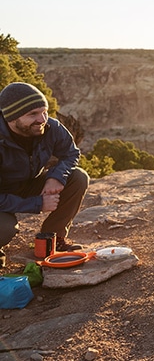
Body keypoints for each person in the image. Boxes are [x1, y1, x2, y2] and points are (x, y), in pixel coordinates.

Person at [0, 82, 89, 264]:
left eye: (44, 111)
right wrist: (37, 203)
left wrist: (57, 177)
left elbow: (71, 153)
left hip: (28, 182)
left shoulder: (50, 127)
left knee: (78, 178)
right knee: (4, 228)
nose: (42, 119)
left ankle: (52, 239)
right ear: (11, 117)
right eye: (33, 114)